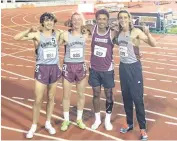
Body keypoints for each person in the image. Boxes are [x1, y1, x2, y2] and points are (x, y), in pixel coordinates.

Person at [14, 12, 63, 138]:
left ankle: (47, 123)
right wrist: (28, 29)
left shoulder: (57, 34)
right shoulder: (37, 35)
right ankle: (34, 125)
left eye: (51, 20)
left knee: (51, 98)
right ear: (42, 22)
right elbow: (16, 38)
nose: (49, 22)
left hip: (54, 68)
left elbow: (72, 35)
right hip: (42, 69)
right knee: (38, 99)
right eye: (46, 20)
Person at [114, 9, 156, 140]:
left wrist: (148, 34)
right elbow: (116, 43)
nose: (123, 20)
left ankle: (142, 128)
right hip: (123, 68)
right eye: (120, 17)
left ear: (129, 18)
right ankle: (129, 123)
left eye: (125, 17)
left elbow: (153, 44)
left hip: (134, 68)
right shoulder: (118, 33)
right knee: (126, 97)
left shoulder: (136, 32)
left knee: (137, 99)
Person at [86, 9, 117, 131]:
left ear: (108, 20)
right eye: (99, 19)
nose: (102, 21)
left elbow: (125, 33)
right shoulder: (92, 29)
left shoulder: (112, 33)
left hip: (107, 69)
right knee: (96, 94)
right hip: (94, 69)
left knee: (109, 94)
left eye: (104, 19)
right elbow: (78, 25)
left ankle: (108, 119)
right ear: (96, 20)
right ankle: (98, 119)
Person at [59, 12, 90, 131]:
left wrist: (83, 21)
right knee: (66, 95)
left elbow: (90, 26)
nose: (76, 22)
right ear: (71, 21)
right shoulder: (65, 34)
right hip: (68, 66)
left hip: (80, 67)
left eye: (78, 19)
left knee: (81, 95)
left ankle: (79, 119)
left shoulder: (85, 34)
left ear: (82, 21)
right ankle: (66, 120)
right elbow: (57, 45)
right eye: (74, 20)